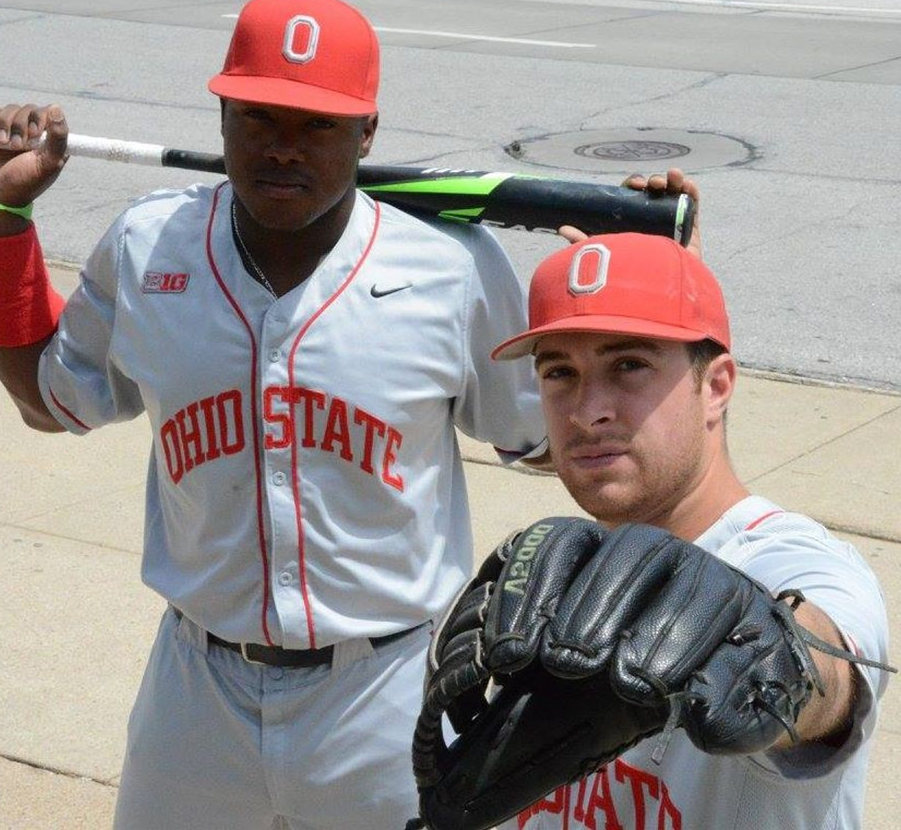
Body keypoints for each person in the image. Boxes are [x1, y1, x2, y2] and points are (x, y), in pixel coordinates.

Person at [0, 0, 555, 827]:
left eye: (316, 123)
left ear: (365, 133)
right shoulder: (149, 248)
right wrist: (7, 218)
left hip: (388, 692)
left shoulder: (452, 269)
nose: (283, 143)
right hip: (196, 690)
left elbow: (545, 441)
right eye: (257, 114)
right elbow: (50, 399)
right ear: (221, 115)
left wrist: (638, 300)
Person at [484, 231, 891, 829]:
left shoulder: (787, 561)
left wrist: (775, 654)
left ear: (717, 386)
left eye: (629, 365)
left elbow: (832, 681)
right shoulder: (556, 573)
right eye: (560, 372)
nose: (587, 409)